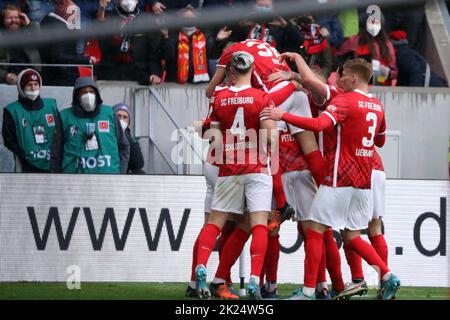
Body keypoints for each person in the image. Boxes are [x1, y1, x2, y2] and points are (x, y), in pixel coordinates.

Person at [260, 57, 401, 300]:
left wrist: (282, 115)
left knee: (314, 231)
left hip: (339, 178)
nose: (339, 78)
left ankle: (307, 292)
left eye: (343, 74)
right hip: (364, 182)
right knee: (353, 236)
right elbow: (380, 141)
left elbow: (317, 124)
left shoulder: (344, 100)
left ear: (353, 77)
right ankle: (387, 276)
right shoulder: (378, 105)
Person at [194, 51, 278, 299]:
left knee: (215, 223)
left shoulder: (219, 97)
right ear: (252, 71)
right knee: (259, 225)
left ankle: (201, 266)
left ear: (230, 72)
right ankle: (254, 278)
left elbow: (211, 137)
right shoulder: (262, 97)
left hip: (228, 169)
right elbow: (272, 140)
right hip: (257, 168)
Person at [50, 76, 130, 174]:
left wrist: (121, 174)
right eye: (84, 92)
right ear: (77, 96)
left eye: (91, 92)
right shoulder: (64, 117)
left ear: (97, 94)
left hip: (108, 181)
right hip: (73, 181)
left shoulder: (109, 113)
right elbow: (56, 152)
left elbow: (124, 146)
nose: (88, 95)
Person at [2, 68, 58, 172]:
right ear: (21, 87)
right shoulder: (11, 110)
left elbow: (60, 135)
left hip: (53, 164)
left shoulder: (52, 106)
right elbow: (9, 139)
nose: (33, 88)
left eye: (36, 84)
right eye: (29, 85)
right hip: (26, 166)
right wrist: (23, 155)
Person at [97, 0, 164, 85]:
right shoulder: (109, 18)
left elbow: (154, 51)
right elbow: (103, 47)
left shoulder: (147, 20)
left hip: (140, 73)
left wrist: (154, 73)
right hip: (112, 72)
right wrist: (102, 10)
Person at [39, 0, 96, 86]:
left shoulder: (53, 23)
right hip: (59, 79)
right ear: (59, 6)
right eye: (65, 2)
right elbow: (58, 56)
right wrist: (85, 60)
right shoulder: (56, 27)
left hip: (58, 77)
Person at [336, 12, 397, 86]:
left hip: (382, 84)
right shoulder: (355, 41)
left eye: (377, 23)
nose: (374, 26)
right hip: (360, 87)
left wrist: (389, 72)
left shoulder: (386, 44)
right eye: (371, 23)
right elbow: (339, 60)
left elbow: (394, 70)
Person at [163, 5, 213, 84]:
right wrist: (166, 37)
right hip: (176, 82)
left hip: (200, 82)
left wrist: (218, 40)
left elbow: (212, 54)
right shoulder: (174, 35)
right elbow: (168, 56)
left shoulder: (204, 35)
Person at [0, 4, 41, 84]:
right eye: (9, 18)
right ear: (3, 20)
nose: (14, 20)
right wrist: (5, 76)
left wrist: (28, 23)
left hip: (31, 76)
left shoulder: (27, 33)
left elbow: (41, 41)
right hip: (9, 79)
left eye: (16, 17)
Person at [113, 103, 145, 174]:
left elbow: (138, 164)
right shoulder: (107, 135)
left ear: (128, 121)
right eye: (118, 116)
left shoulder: (131, 138)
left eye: (125, 117)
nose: (121, 119)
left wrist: (125, 136)